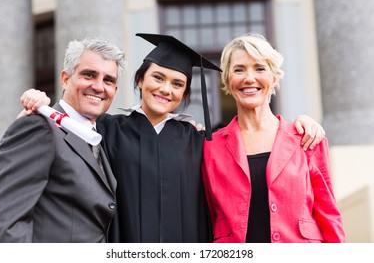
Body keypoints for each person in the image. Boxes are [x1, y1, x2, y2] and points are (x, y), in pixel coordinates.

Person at [20, 33, 325, 243]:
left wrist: (304, 122)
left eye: (177, 84)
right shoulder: (107, 129)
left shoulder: (198, 138)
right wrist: (37, 104)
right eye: (157, 78)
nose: (166, 89)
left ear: (184, 94)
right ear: (140, 80)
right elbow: (65, 126)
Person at [201, 33, 345, 243]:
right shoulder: (209, 147)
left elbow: (329, 214)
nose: (249, 78)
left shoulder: (307, 139)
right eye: (239, 69)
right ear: (227, 80)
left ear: (274, 77)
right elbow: (207, 218)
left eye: (260, 68)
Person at [0, 37, 126, 242]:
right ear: (65, 79)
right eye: (89, 75)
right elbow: (5, 223)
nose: (98, 86)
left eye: (108, 80)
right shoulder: (39, 127)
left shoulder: (99, 139)